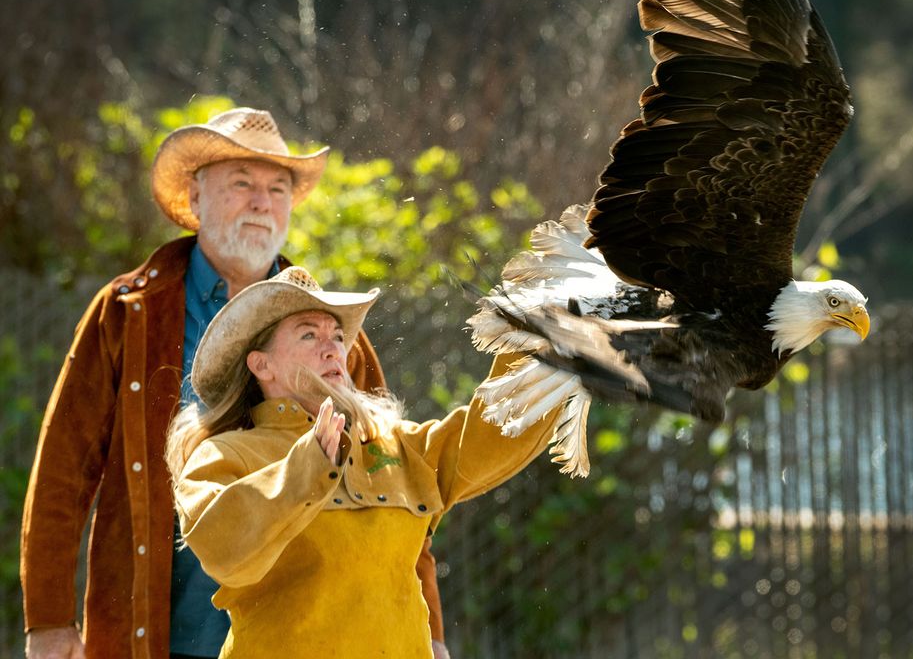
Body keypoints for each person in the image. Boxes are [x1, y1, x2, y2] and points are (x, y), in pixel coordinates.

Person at [21, 108, 448, 658]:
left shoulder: (336, 335)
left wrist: (431, 630)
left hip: (303, 640)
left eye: (276, 188)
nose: (260, 202)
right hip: (151, 635)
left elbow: (396, 480)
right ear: (195, 200)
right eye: (241, 184)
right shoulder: (127, 313)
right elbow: (62, 471)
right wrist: (49, 622)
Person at [165, 266, 556, 657]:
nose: (333, 347)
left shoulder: (394, 444)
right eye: (308, 334)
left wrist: (541, 344)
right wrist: (307, 466)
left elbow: (494, 435)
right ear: (260, 365)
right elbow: (222, 550)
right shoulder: (224, 453)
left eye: (337, 335)